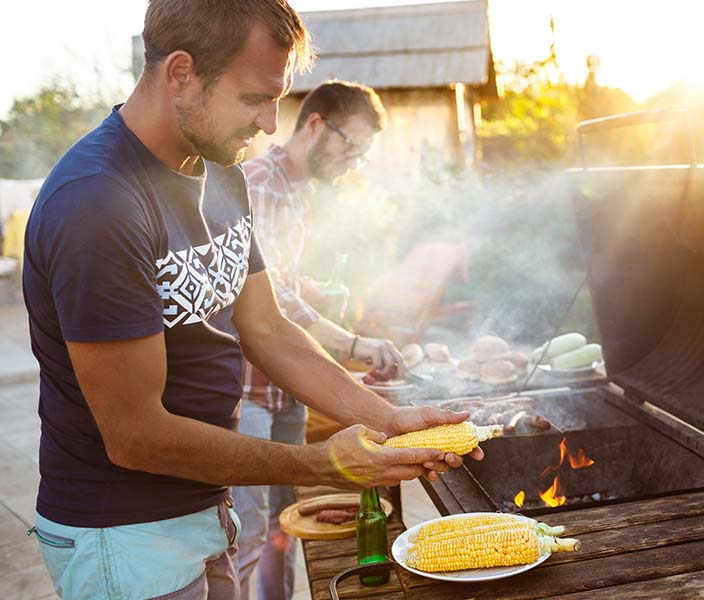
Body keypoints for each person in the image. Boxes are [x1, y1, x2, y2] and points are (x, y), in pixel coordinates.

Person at [20, 2, 480, 599]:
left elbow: (267, 326)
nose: (269, 124)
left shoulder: (222, 172)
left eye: (278, 99)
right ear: (180, 72)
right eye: (253, 99)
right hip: (123, 537)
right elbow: (135, 434)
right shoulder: (98, 204)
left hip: (207, 510)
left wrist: (385, 419)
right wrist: (322, 465)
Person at [235, 80, 400, 600]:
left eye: (361, 155)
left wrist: (315, 289)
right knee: (249, 536)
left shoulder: (298, 190)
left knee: (283, 526)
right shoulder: (259, 183)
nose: (353, 162)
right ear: (314, 125)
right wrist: (355, 345)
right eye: (351, 146)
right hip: (249, 389)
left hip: (285, 388)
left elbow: (274, 276)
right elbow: (271, 305)